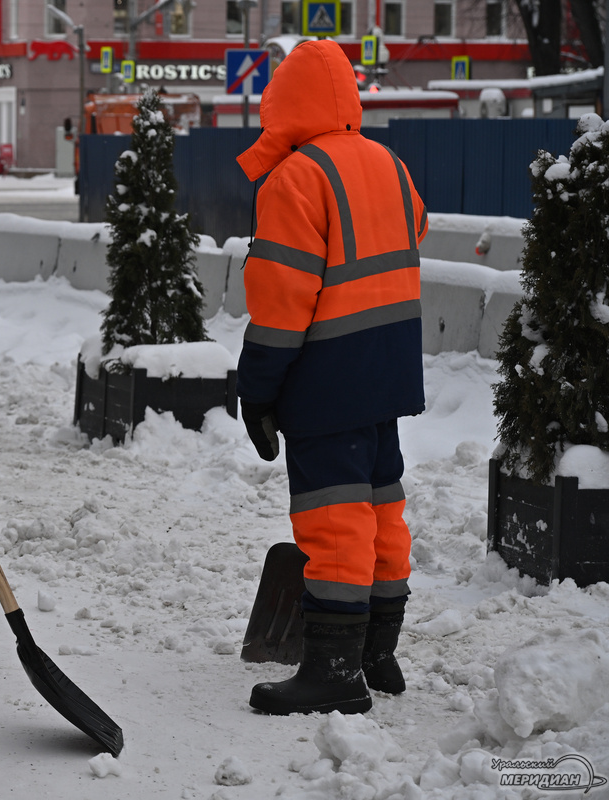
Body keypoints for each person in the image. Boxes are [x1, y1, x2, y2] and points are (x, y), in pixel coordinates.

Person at [233, 39, 428, 716]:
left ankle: (335, 669)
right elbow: (416, 229)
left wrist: (257, 387)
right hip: (390, 368)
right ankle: (378, 650)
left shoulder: (295, 177)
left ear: (282, 103)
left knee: (334, 519)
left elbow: (281, 302)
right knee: (382, 510)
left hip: (329, 376)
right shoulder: (388, 164)